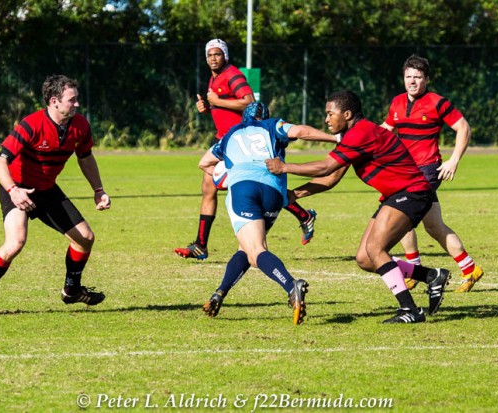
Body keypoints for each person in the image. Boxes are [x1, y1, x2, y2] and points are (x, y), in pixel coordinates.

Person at [266, 91, 450, 324]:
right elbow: (331, 178)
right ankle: (431, 276)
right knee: (365, 258)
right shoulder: (353, 136)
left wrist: (285, 167)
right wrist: (294, 195)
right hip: (396, 195)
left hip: (412, 193)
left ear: (347, 114)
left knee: (375, 248)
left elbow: (325, 167)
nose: (326, 119)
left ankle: (410, 309)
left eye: (330, 114)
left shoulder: (360, 133)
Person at [0, 75, 111, 316]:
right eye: (72, 100)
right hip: (17, 188)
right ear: (54, 101)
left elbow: (85, 158)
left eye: (77, 99)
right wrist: (13, 190)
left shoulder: (80, 125)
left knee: (85, 238)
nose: (77, 104)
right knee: (15, 242)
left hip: (47, 190)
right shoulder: (31, 124)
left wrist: (98, 190)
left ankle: (72, 291)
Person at [174, 39, 317, 261]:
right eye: (210, 55)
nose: (213, 58)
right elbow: (222, 106)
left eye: (217, 54)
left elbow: (249, 101)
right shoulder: (214, 77)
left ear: (225, 55)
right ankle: (200, 245)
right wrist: (208, 107)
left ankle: (303, 215)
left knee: (256, 185)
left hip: (242, 142)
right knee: (209, 187)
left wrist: (217, 101)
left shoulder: (233, 75)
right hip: (225, 141)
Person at [199, 102, 338, 325]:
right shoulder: (272, 125)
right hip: (273, 191)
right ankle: (220, 293)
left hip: (244, 189)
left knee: (256, 251)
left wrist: (225, 177)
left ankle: (291, 286)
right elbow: (302, 132)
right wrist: (336, 138)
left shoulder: (230, 135)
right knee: (246, 248)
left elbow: (204, 163)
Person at [380, 54, 484, 292]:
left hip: (427, 170)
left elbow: (463, 127)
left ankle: (413, 270)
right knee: (434, 226)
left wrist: (453, 160)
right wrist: (361, 137)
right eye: (408, 76)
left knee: (400, 214)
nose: (412, 81)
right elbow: (386, 129)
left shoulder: (437, 103)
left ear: (426, 79)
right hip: (404, 171)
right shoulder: (396, 102)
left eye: (417, 77)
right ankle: (470, 268)